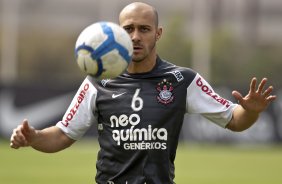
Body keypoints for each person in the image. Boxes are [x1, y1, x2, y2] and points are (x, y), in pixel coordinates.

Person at [10, 2, 276, 184]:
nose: (135, 36)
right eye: (128, 29)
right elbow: (62, 135)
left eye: (144, 29)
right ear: (118, 32)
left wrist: (250, 111)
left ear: (158, 34)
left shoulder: (182, 80)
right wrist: (33, 137)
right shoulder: (98, 81)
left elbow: (235, 120)